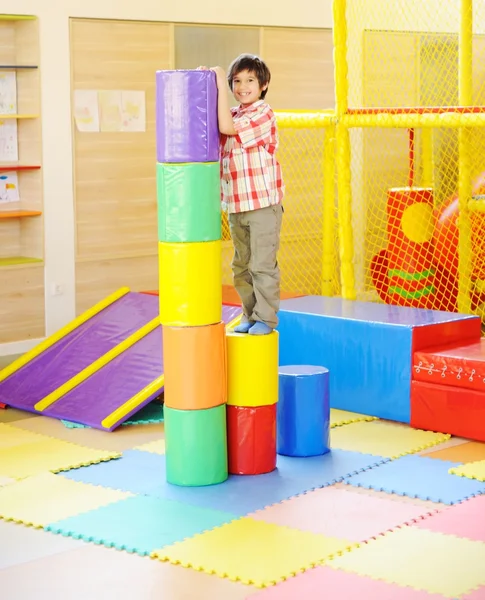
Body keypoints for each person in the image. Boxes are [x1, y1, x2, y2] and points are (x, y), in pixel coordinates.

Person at [199, 54, 285, 335]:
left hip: (262, 205)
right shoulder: (234, 112)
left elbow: (227, 129)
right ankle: (249, 313)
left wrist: (219, 82)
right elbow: (217, 121)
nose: (242, 86)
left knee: (262, 265)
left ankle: (266, 318)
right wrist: (207, 82)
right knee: (241, 266)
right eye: (236, 81)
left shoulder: (263, 112)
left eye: (250, 80)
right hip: (236, 205)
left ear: (263, 84)